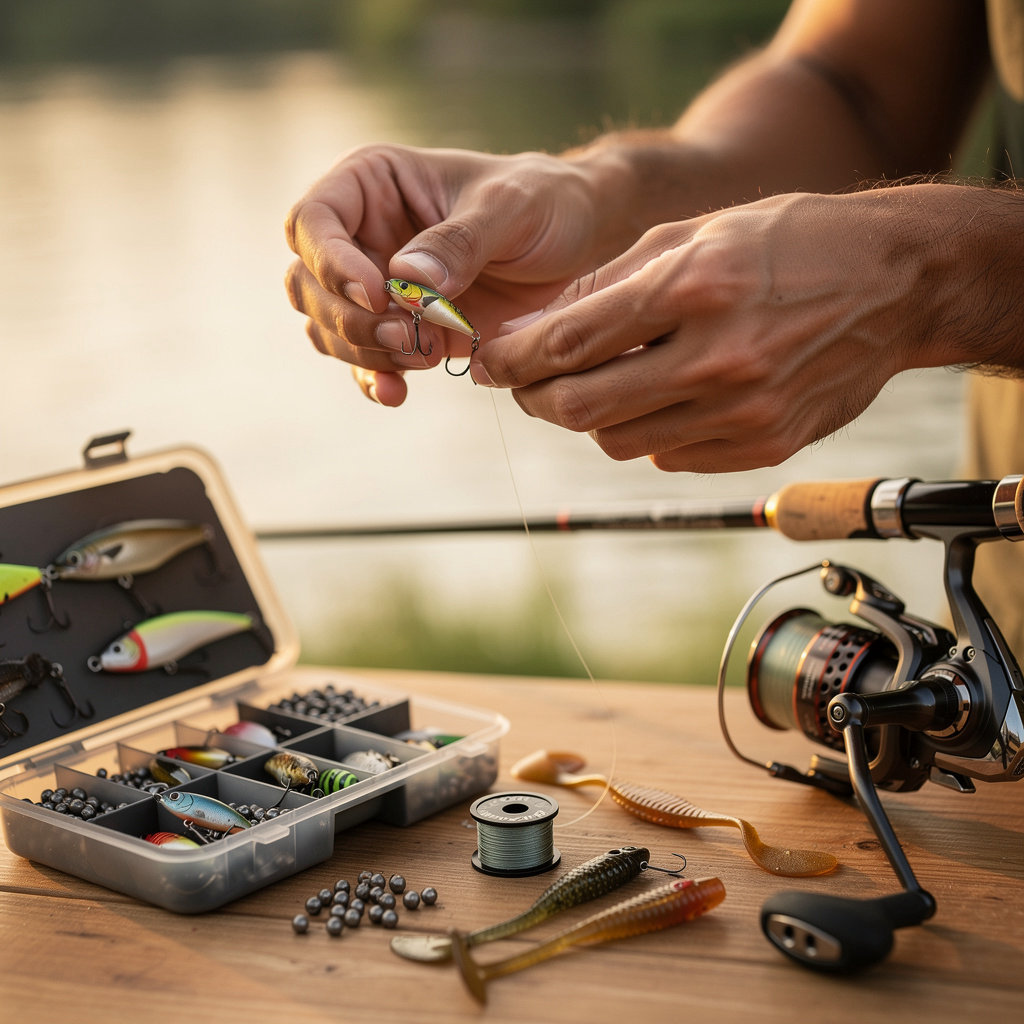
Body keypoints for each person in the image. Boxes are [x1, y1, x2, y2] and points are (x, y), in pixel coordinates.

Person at [284, 0, 1024, 650]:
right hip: (1000, 652)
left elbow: (925, 251)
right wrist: (603, 193)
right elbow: (852, 86)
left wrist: (927, 274)